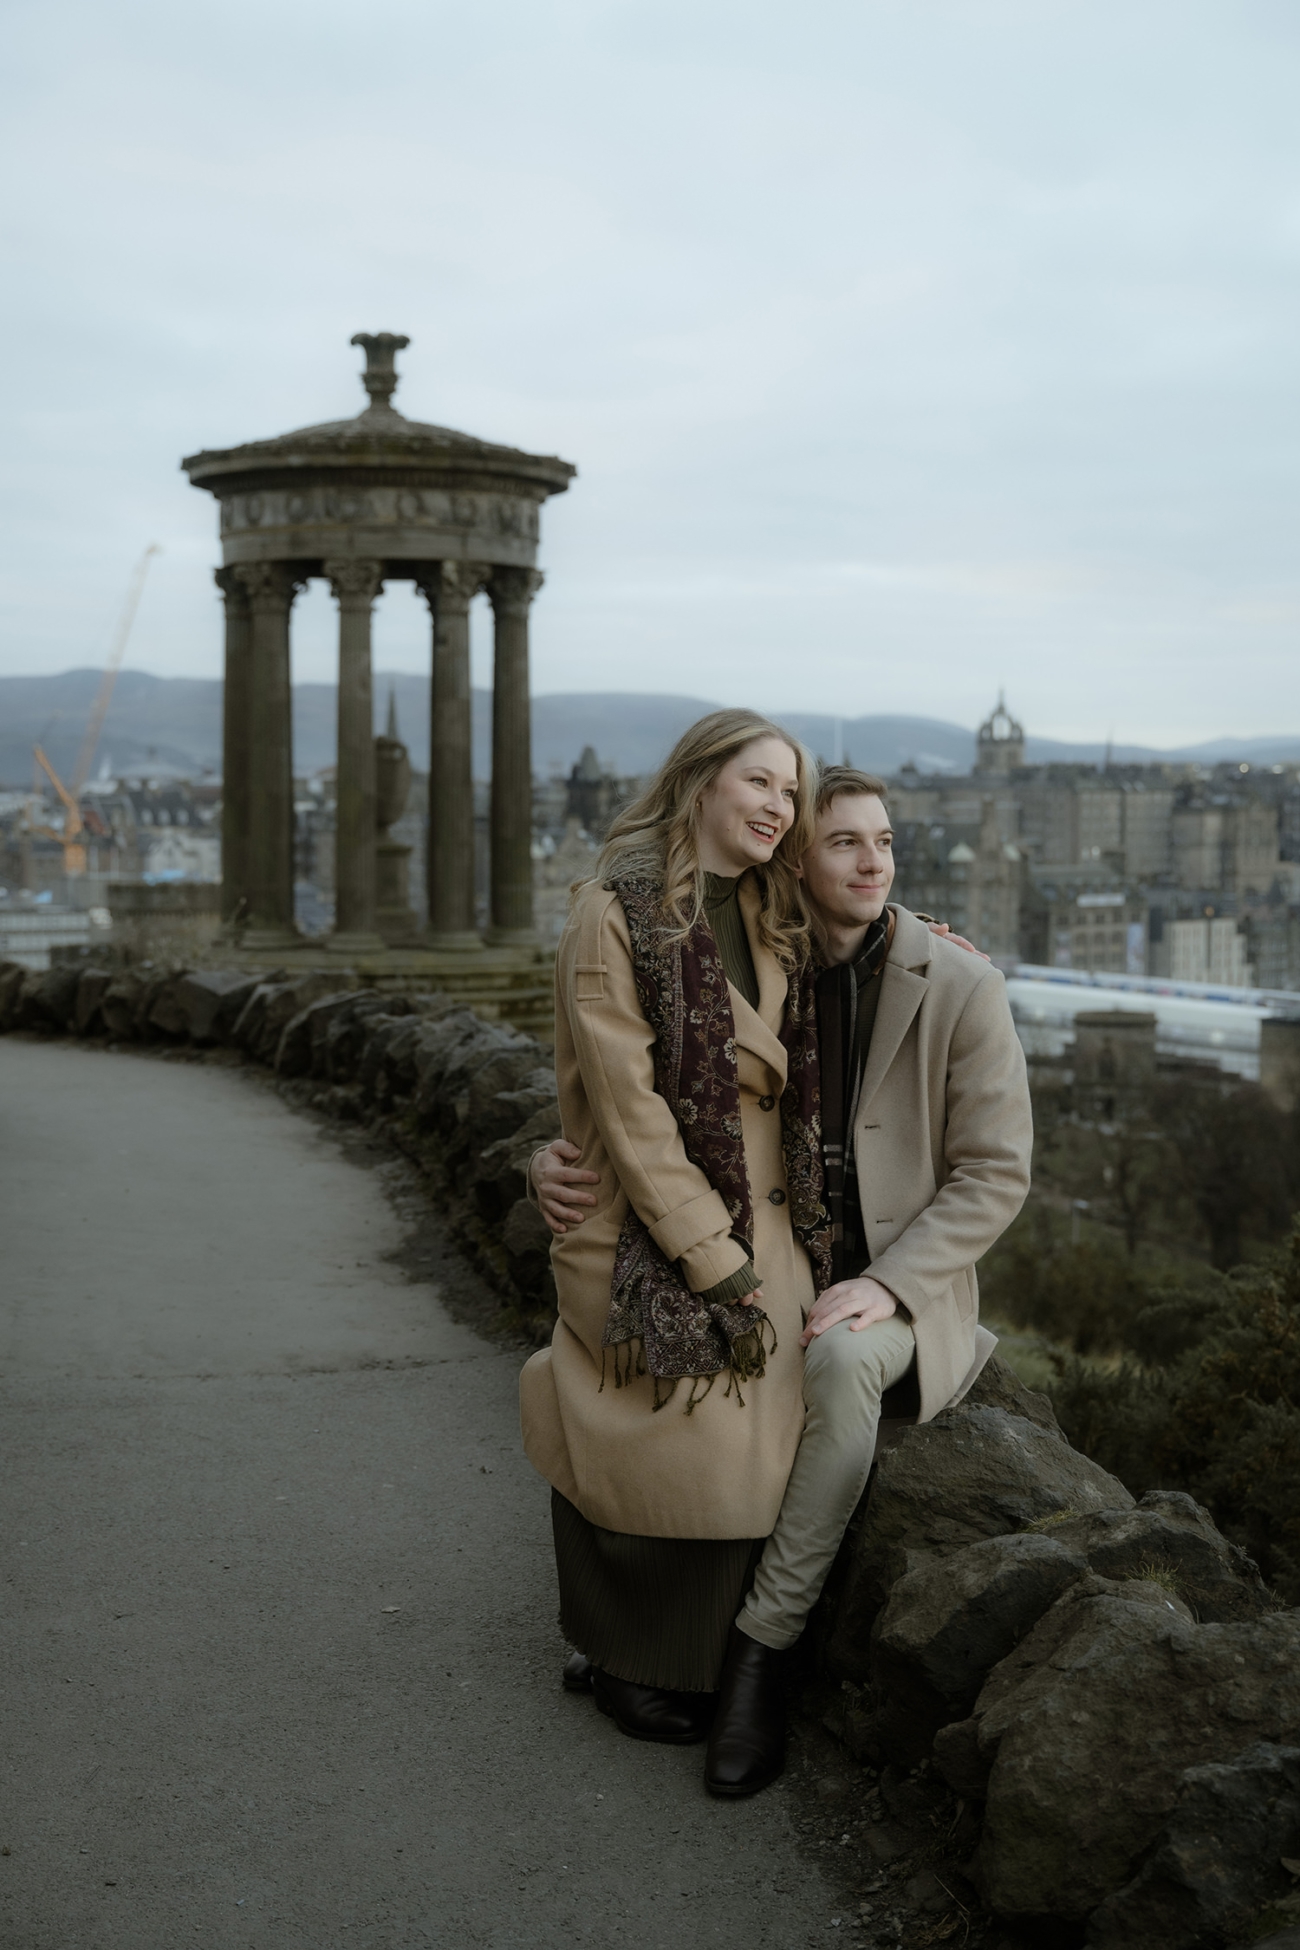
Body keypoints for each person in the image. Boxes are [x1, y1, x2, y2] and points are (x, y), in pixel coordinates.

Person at [530, 764, 1034, 1796]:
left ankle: (762, 1649)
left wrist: (891, 1286)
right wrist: (548, 1154)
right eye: (844, 842)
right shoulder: (763, 957)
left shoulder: (961, 981)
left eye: (885, 843)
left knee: (841, 1366)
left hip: (897, 1285)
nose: (872, 862)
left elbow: (995, 1175)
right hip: (779, 1260)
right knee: (636, 1377)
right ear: (792, 862)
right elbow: (645, 1084)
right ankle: (633, 1638)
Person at [519, 708, 828, 1771]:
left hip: (762, 1212)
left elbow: (870, 926)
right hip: (653, 1219)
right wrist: (713, 1258)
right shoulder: (613, 912)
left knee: (741, 1455)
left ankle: (676, 1661)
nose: (778, 808)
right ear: (699, 781)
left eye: (791, 793)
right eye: (760, 783)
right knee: (649, 1443)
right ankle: (623, 1660)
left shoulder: (770, 903)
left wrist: (940, 945)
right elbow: (628, 1108)